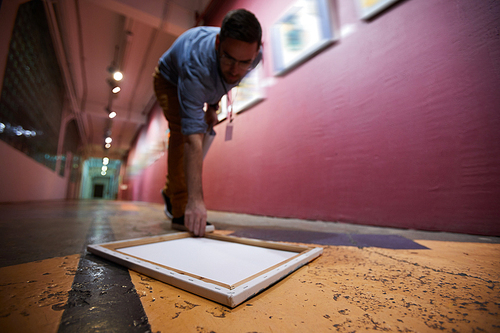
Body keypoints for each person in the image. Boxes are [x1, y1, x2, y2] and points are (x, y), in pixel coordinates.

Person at [153, 9, 262, 237]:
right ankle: (180, 208)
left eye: (244, 62)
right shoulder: (196, 67)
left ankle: (170, 190)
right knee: (182, 134)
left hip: (201, 82)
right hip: (169, 79)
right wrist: (195, 201)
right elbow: (192, 139)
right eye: (229, 58)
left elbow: (227, 81)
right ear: (218, 43)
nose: (235, 70)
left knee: (202, 131)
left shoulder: (255, 56)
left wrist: (213, 107)